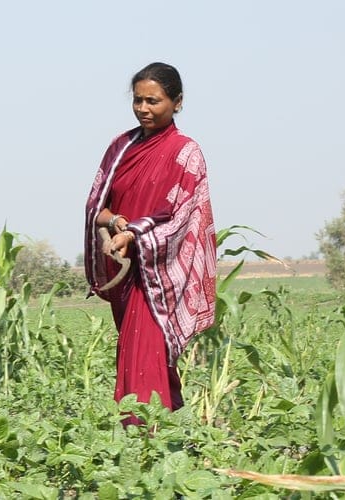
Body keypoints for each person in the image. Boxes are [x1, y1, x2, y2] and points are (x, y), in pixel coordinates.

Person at [84, 62, 216, 424]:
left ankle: (147, 439)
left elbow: (182, 216)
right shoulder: (120, 148)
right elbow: (97, 207)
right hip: (128, 277)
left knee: (147, 359)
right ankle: (167, 438)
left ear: (177, 102)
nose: (143, 108)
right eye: (138, 100)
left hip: (160, 280)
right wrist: (117, 223)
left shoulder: (186, 153)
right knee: (138, 359)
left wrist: (134, 234)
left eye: (153, 101)